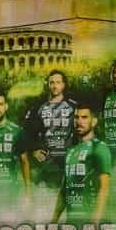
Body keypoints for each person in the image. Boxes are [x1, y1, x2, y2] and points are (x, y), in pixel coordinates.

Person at [20, 69, 76, 208]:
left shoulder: (73, 106)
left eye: (58, 82)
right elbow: (26, 132)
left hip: (68, 161)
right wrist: (34, 150)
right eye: (52, 83)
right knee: (48, 199)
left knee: (70, 199)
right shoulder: (38, 108)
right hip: (47, 163)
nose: (55, 86)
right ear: (48, 85)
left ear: (63, 85)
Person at [53, 105, 113, 225]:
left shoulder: (99, 147)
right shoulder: (71, 150)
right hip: (71, 224)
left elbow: (104, 188)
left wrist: (95, 222)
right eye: (76, 117)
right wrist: (53, 221)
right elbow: (63, 191)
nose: (79, 122)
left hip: (90, 223)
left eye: (84, 117)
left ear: (94, 121)